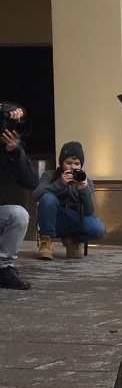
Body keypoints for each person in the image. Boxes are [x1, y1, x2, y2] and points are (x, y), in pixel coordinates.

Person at [33, 141, 106, 259]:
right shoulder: (50, 175)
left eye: (77, 164)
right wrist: (59, 184)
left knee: (98, 229)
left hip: (76, 218)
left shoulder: (87, 182)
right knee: (48, 197)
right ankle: (46, 242)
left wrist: (84, 189)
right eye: (68, 163)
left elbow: (89, 211)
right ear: (62, 163)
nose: (73, 167)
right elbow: (36, 195)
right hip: (55, 218)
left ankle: (72, 240)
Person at [0, 103, 38, 289]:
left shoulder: (8, 149)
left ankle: (3, 269)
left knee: (18, 214)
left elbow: (31, 182)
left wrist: (15, 151)